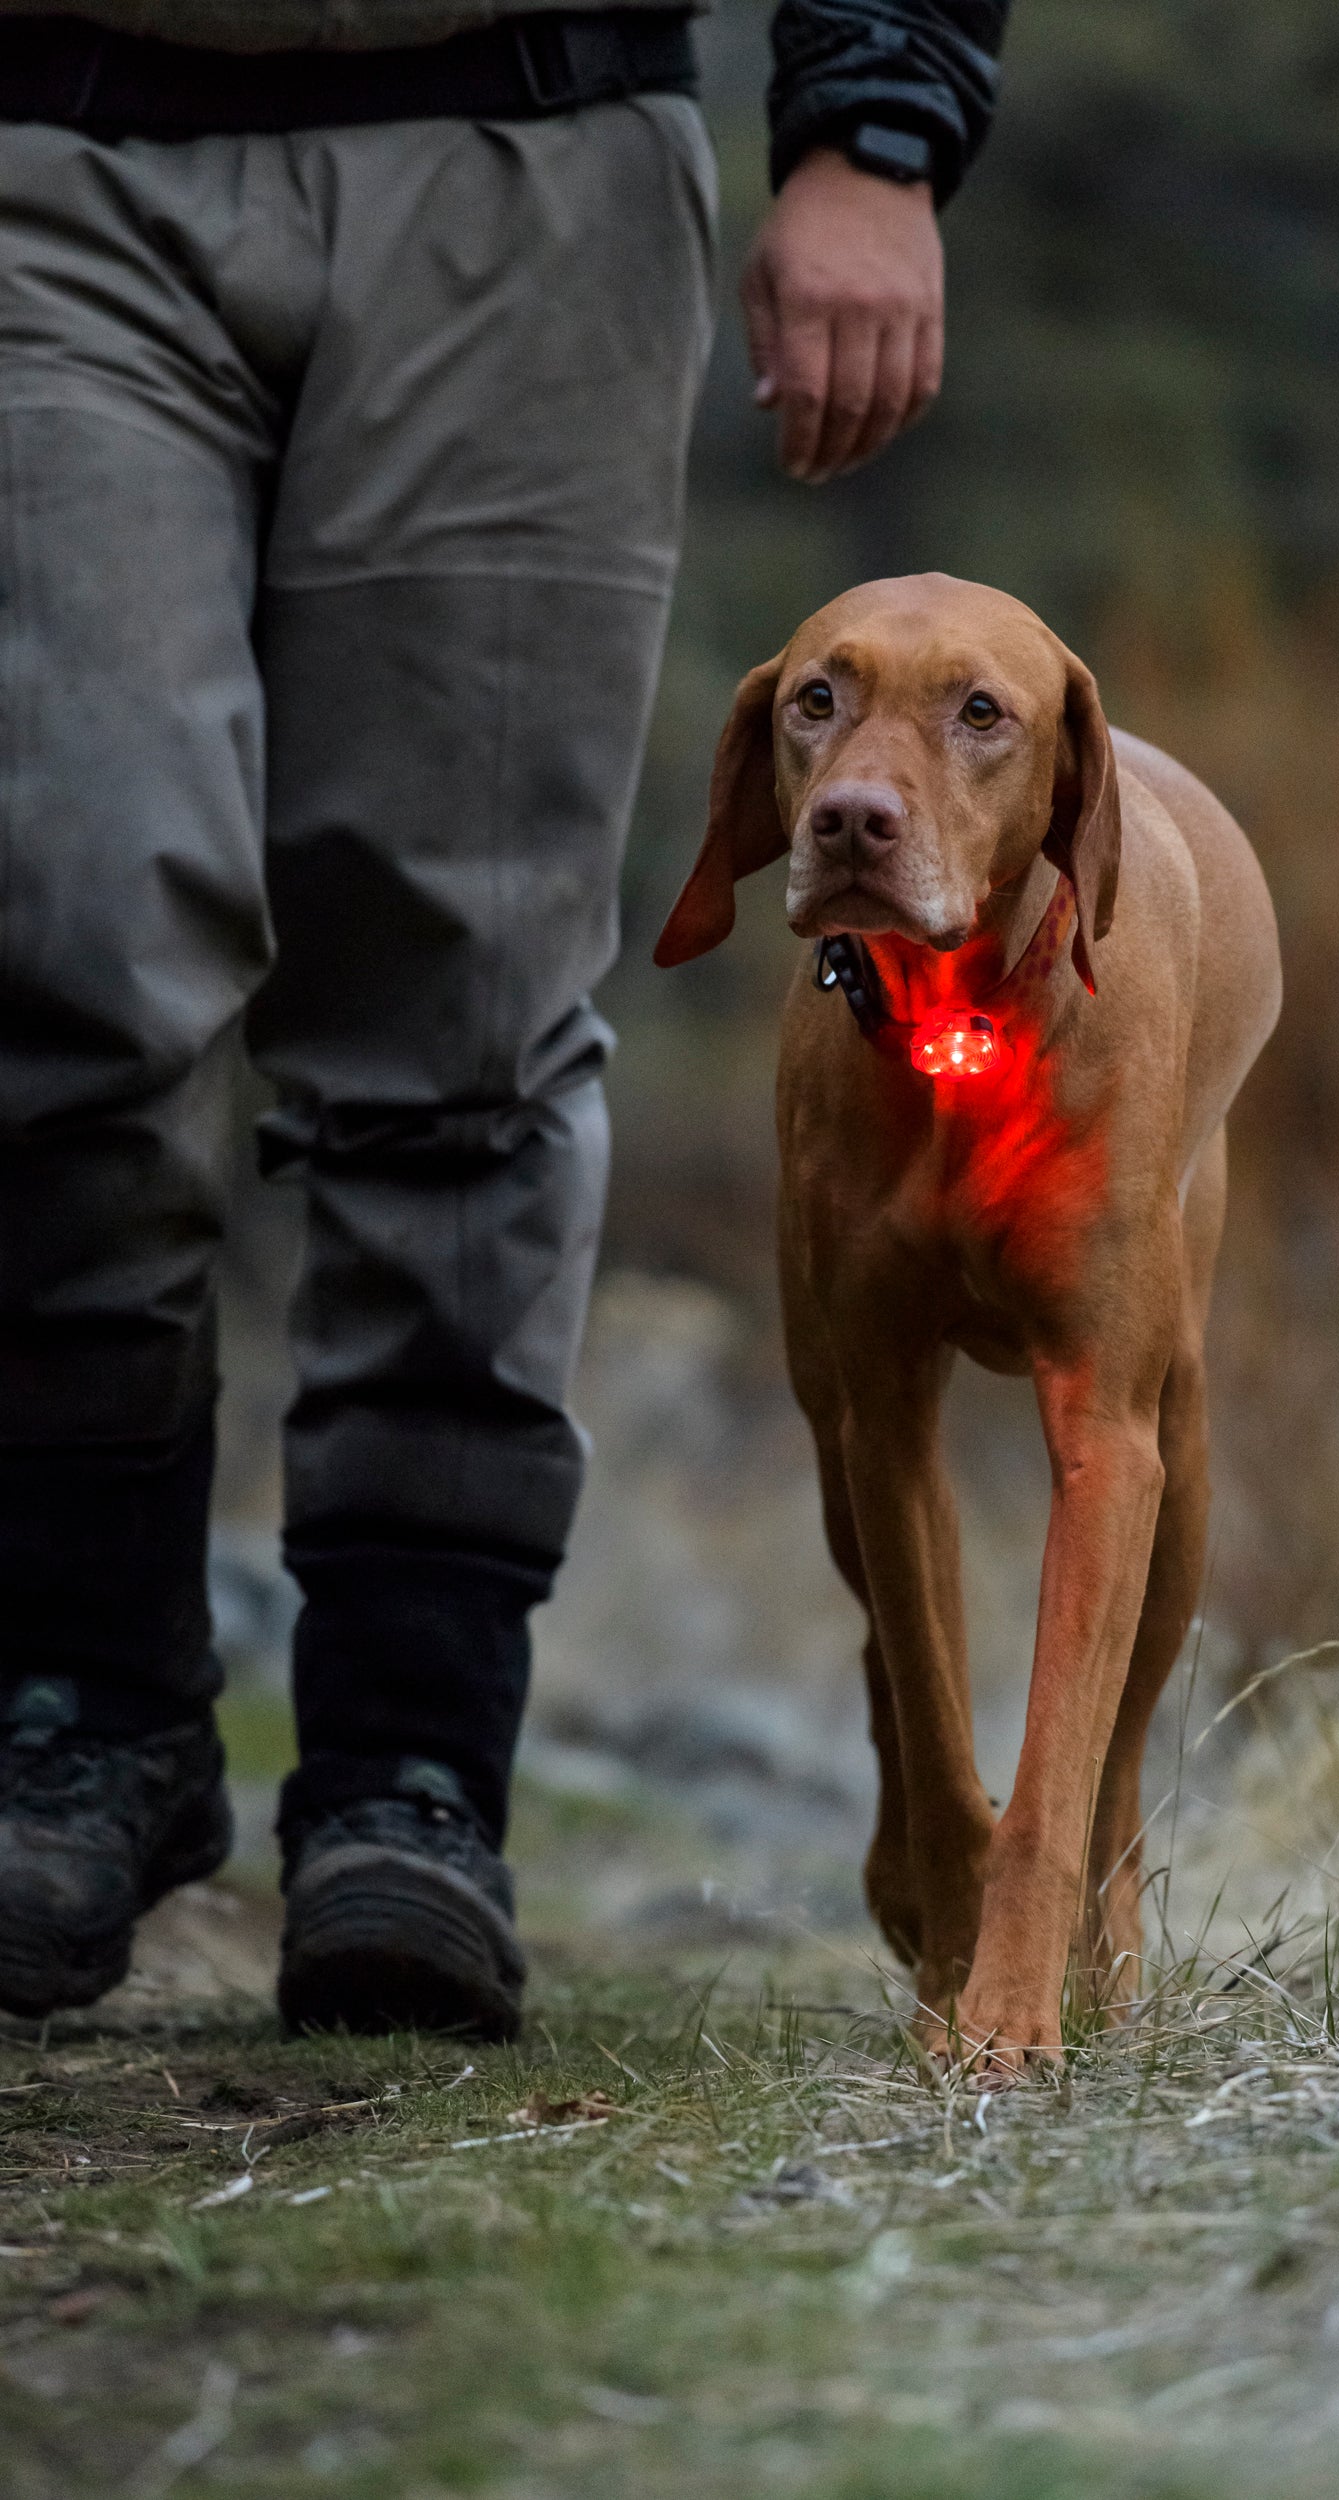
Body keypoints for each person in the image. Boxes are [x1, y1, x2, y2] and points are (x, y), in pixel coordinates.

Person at [0, 0, 1009, 2038]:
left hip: (526, 146)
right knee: (63, 931)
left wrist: (878, 121)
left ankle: (411, 1768)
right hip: (46, 142)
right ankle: (83, 1713)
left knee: (462, 989)